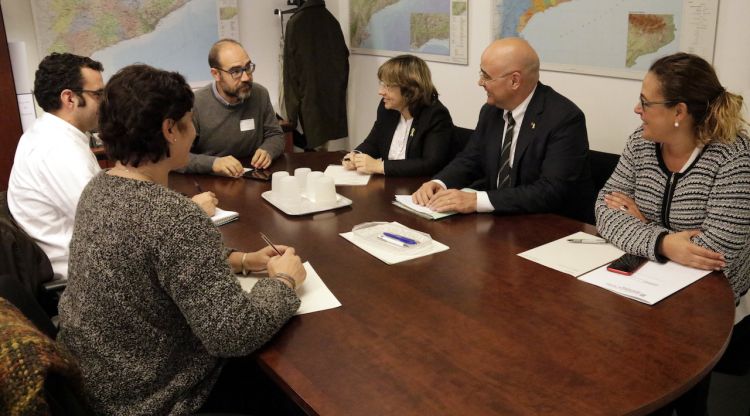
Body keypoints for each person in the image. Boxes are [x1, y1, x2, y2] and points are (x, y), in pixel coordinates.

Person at [58, 64, 306, 415]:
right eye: (190, 122)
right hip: (153, 397)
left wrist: (242, 260)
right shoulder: (174, 216)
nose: (194, 133)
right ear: (169, 129)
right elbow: (233, 334)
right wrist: (283, 280)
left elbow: (150, 260)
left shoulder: (99, 188)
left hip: (98, 381)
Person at [595, 52, 750, 415]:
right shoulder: (641, 142)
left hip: (710, 300)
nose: (637, 109)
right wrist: (665, 241)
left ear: (679, 112)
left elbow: (714, 253)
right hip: (643, 284)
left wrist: (644, 226)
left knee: (679, 393)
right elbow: (604, 208)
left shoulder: (734, 157)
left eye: (646, 103)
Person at [7, 53, 217, 281]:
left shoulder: (45, 133)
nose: (105, 102)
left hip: (90, 256)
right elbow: (114, 225)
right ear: (69, 99)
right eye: (98, 94)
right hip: (82, 276)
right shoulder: (58, 151)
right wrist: (189, 212)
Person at [411, 38, 593, 221]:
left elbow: (550, 191)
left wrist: (476, 200)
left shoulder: (564, 118)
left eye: (486, 76)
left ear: (515, 81)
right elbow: (471, 159)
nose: (480, 82)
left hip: (549, 225)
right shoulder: (491, 110)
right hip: (500, 221)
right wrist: (439, 182)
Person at [183, 39, 286, 177]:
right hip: (211, 181)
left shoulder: (260, 94)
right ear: (216, 74)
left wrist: (268, 150)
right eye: (235, 71)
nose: (245, 77)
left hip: (254, 175)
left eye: (248, 67)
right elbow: (176, 157)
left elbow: (275, 135)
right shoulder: (195, 104)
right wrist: (213, 163)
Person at [341, 54, 454, 176]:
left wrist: (379, 166)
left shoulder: (435, 115)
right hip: (390, 183)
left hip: (418, 187)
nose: (381, 92)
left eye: (388, 86)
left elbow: (430, 164)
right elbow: (374, 142)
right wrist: (356, 155)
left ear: (410, 90)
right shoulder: (388, 109)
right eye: (382, 84)